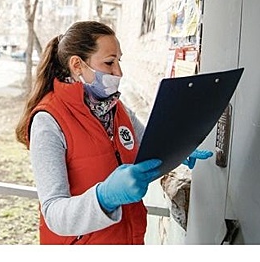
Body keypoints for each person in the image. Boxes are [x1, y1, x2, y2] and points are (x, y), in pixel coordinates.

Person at [15, 20, 212, 244]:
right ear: (77, 65)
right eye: (109, 62)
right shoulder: (48, 121)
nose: (118, 71)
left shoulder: (116, 108)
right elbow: (54, 214)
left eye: (119, 61)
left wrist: (176, 149)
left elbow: (148, 146)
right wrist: (104, 198)